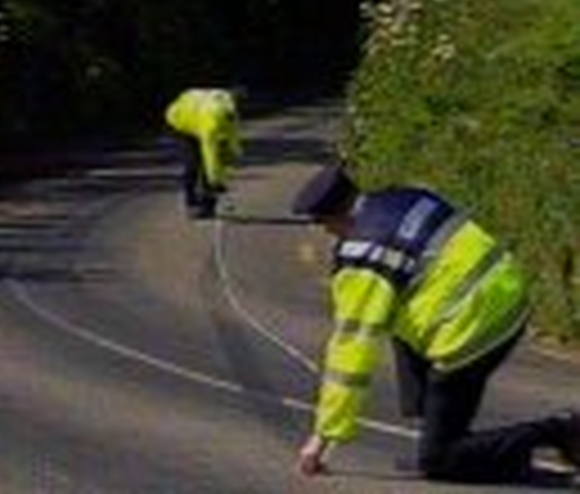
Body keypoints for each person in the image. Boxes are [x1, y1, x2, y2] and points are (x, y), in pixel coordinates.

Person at [291, 163, 580, 484]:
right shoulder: (407, 196)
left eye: (322, 224)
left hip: (471, 334)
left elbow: (352, 352)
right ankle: (435, 421)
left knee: (441, 461)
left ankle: (559, 430)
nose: (325, 233)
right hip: (510, 295)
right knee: (396, 307)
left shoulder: (362, 256)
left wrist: (323, 437)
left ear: (332, 219)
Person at [164, 88, 243, 219]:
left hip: (197, 113)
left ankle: (208, 205)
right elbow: (209, 152)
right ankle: (191, 203)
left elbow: (233, 135)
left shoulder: (230, 108)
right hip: (181, 122)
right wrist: (216, 181)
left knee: (217, 158)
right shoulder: (211, 121)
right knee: (194, 162)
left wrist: (234, 154)